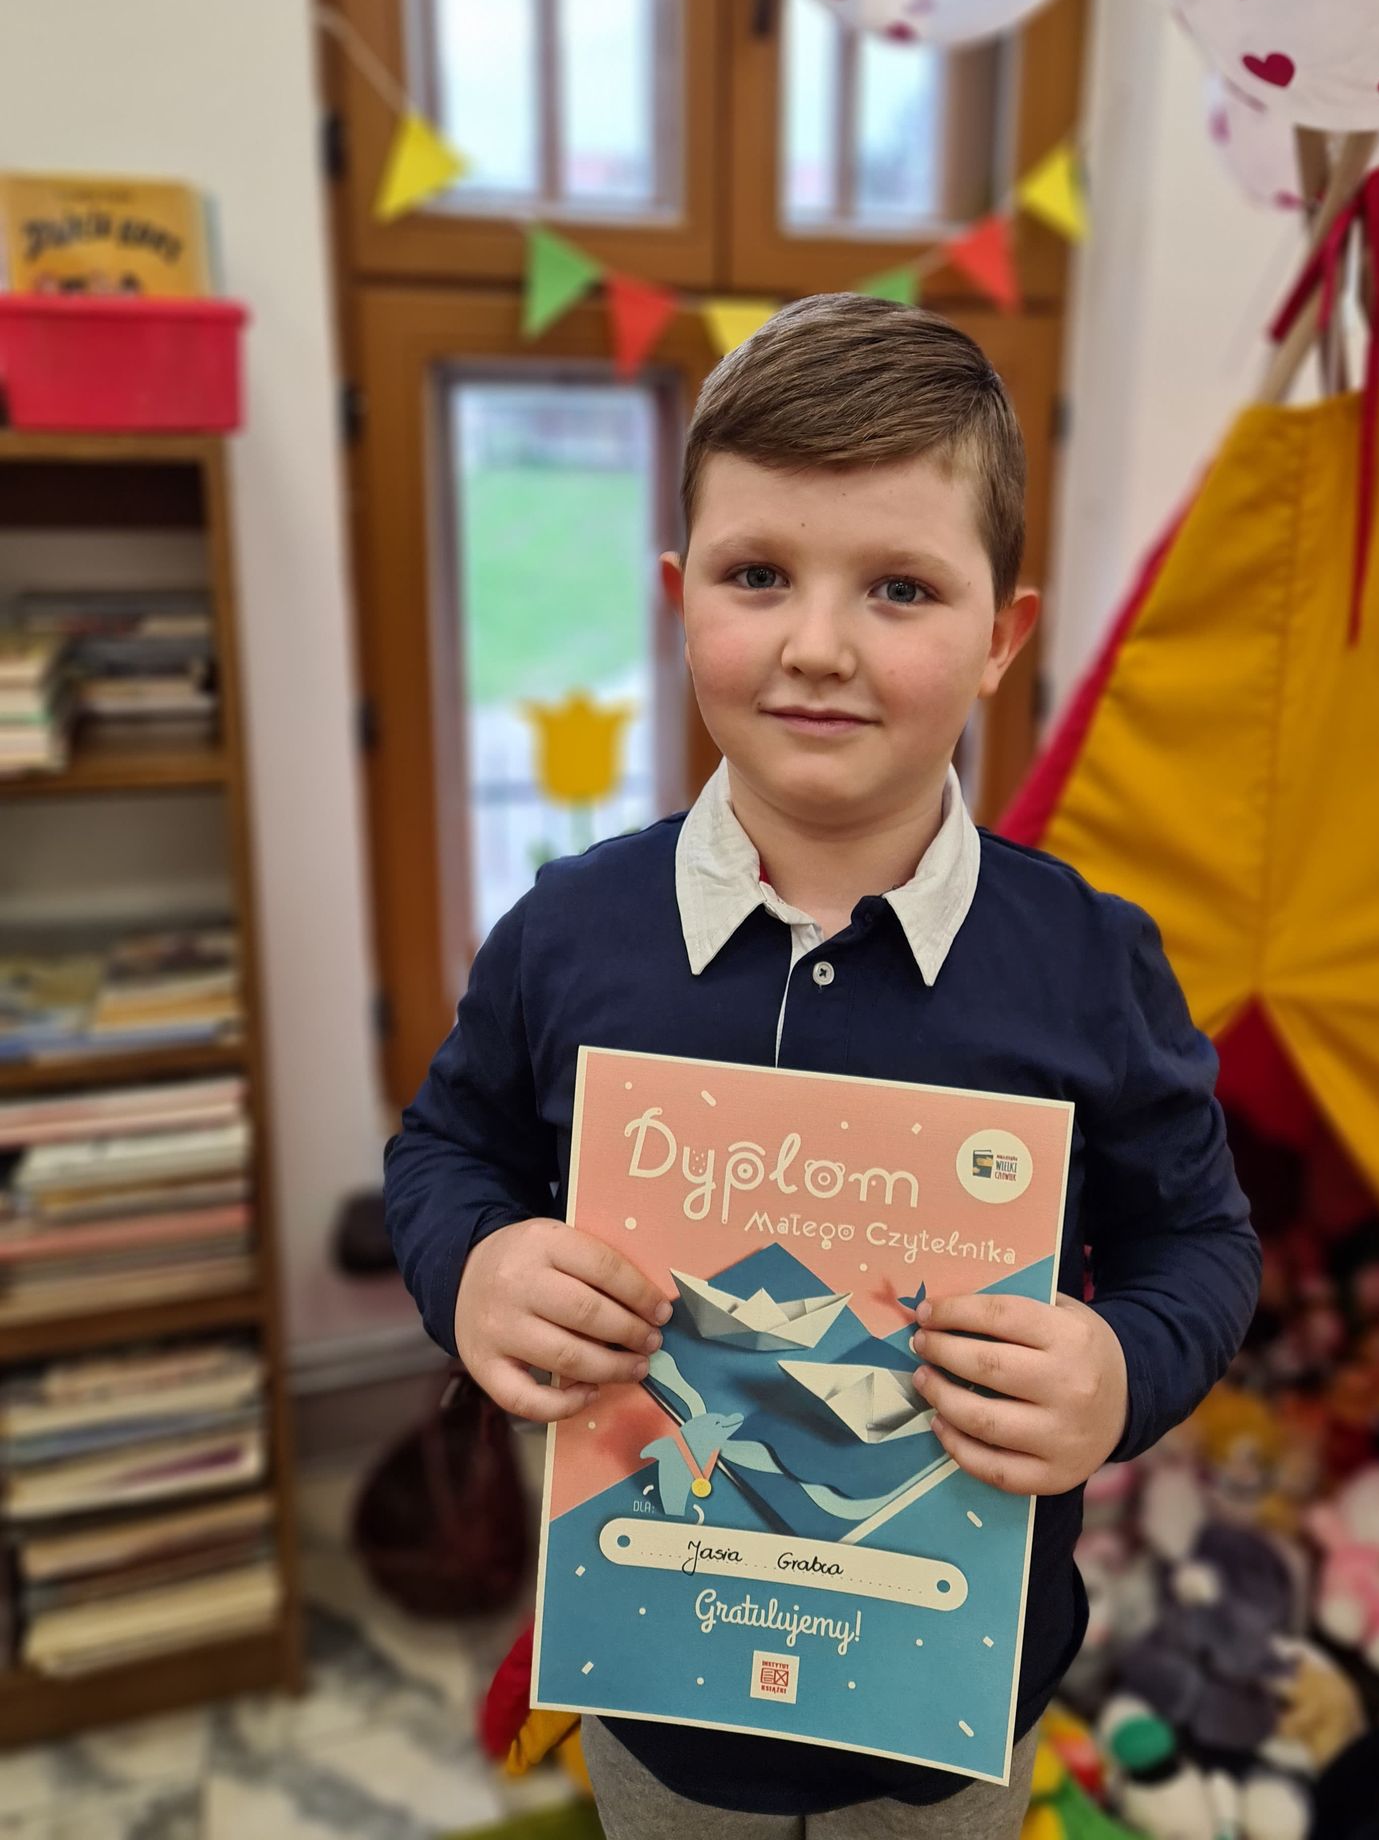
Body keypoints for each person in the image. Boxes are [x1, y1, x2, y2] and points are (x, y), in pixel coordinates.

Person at [384, 293, 1262, 1839]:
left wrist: (1121, 1372)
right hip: (656, 1691)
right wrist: (476, 1270)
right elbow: (448, 1148)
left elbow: (1200, 1238)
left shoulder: (1087, 962)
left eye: (900, 588)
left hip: (954, 1700)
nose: (816, 645)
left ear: (1001, 638)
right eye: (758, 575)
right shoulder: (569, 933)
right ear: (680, 598)